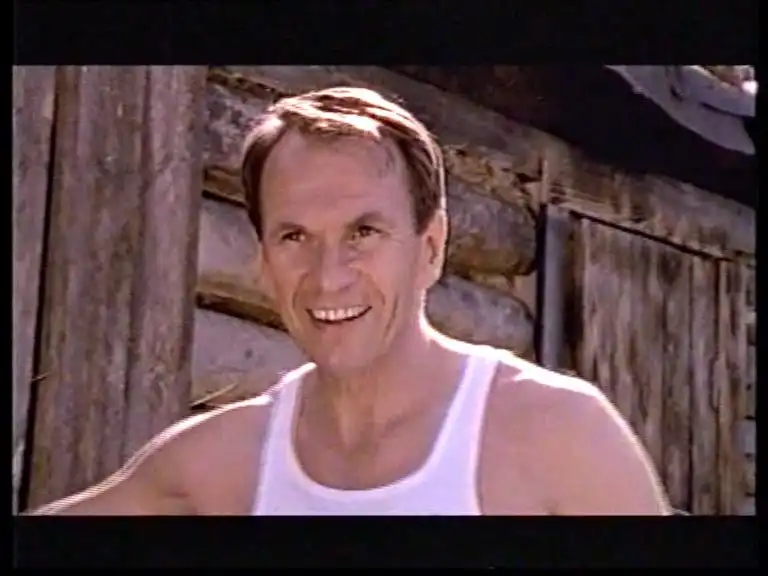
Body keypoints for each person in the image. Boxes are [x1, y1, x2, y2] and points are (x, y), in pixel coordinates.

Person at [29, 86, 671, 516]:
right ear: (263, 260)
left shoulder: (558, 434)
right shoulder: (223, 463)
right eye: (294, 237)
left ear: (430, 246)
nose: (328, 277)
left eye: (363, 233)